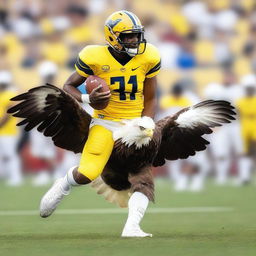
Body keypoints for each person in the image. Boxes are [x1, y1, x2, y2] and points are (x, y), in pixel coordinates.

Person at [40, 10, 161, 237]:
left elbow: (151, 97)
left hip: (134, 124)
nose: (135, 41)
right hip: (105, 122)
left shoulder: (149, 56)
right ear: (113, 37)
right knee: (87, 172)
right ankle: (63, 184)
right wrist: (88, 99)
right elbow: (68, 87)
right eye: (128, 37)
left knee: (143, 177)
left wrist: (146, 121)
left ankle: (132, 227)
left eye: (137, 35)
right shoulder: (94, 56)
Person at [0, 70, 23, 186]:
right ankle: (4, 175)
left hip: (9, 130)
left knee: (10, 154)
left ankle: (16, 177)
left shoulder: (10, 94)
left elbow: (8, 114)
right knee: (2, 155)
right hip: (2, 131)